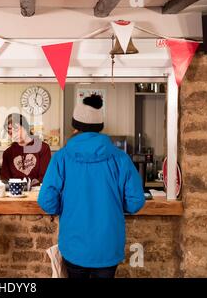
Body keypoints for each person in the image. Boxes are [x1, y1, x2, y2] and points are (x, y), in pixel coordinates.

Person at [37, 94, 145, 278]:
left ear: (75, 126)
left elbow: (46, 201)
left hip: (74, 245)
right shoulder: (121, 158)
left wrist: (66, 206)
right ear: (100, 127)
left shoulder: (61, 158)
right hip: (108, 246)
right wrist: (115, 203)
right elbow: (135, 202)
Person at [1, 113, 51, 186]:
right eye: (10, 133)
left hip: (37, 193)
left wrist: (34, 184)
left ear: (25, 126)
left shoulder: (43, 148)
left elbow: (46, 176)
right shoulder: (8, 153)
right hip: (15, 194)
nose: (14, 135)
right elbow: (5, 180)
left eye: (16, 130)